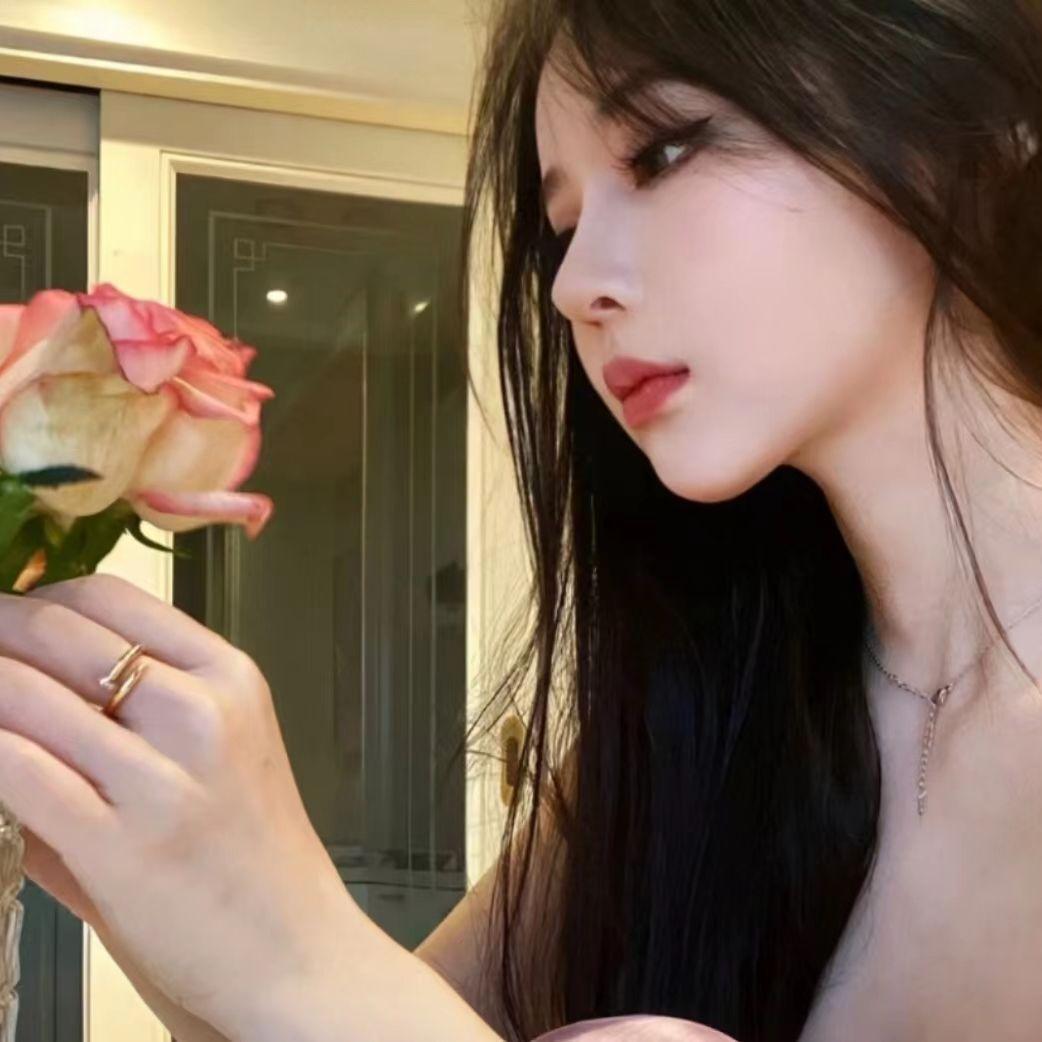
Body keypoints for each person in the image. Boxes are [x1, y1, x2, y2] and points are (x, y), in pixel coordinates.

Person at [7, 0, 1042, 1040]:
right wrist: (175, 903)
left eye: (664, 151)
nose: (573, 286)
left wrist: (291, 947)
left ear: (970, 129)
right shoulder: (710, 715)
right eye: (563, 228)